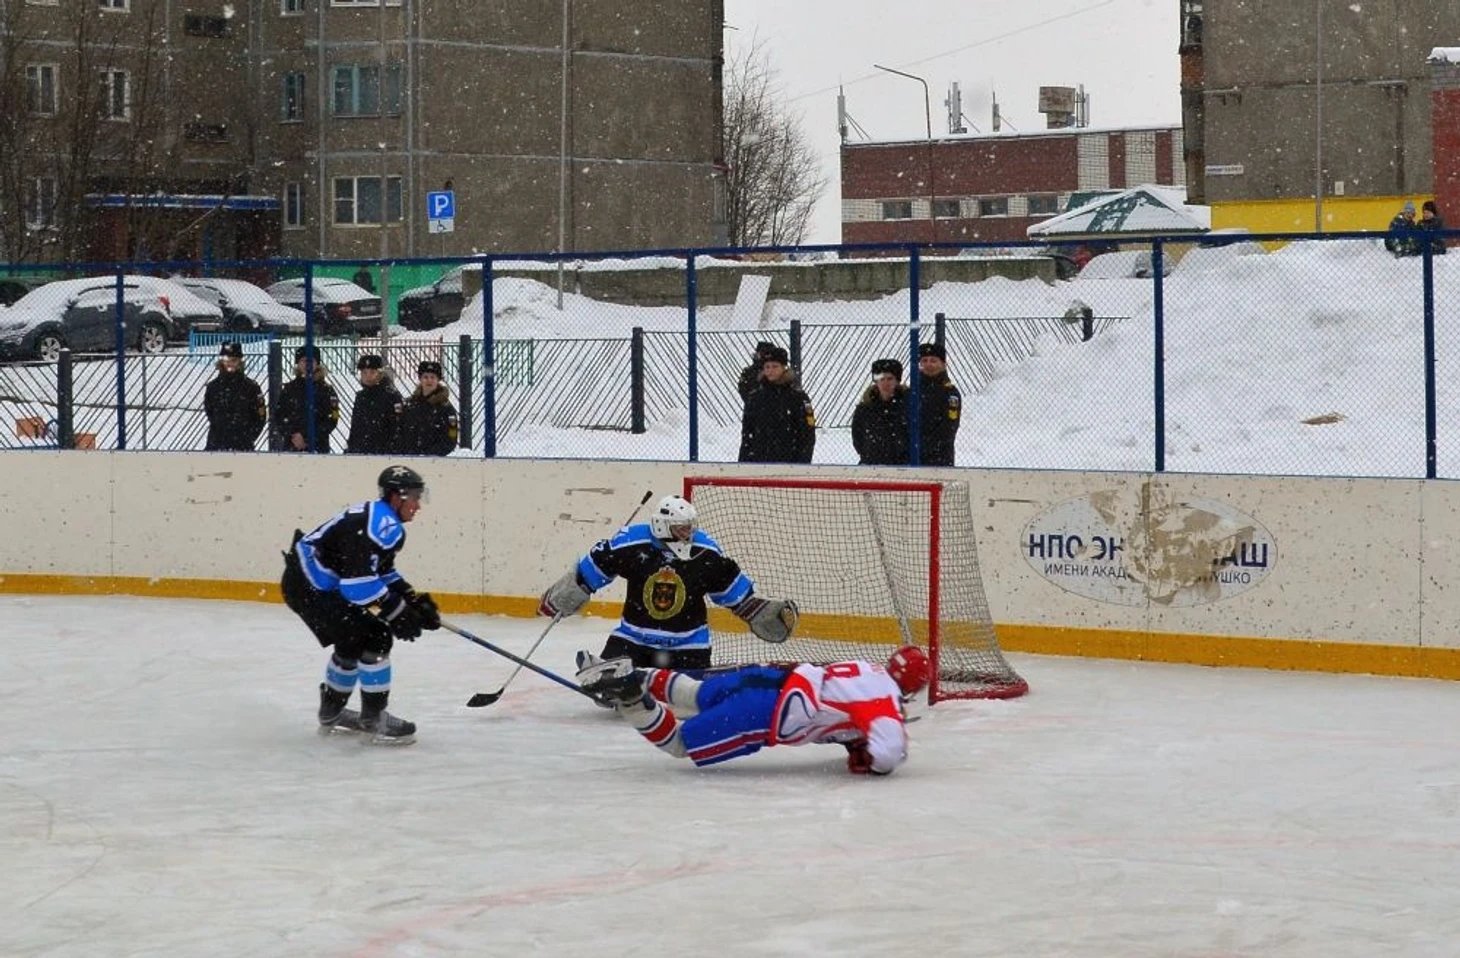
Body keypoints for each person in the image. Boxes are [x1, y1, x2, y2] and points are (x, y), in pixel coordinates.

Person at [538, 494, 799, 673]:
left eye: (689, 527)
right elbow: (592, 569)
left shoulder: (704, 551)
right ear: (662, 526)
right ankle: (616, 676)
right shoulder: (631, 543)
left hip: (688, 646)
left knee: (687, 698)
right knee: (612, 686)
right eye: (681, 528)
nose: (689, 533)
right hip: (633, 641)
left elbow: (734, 594)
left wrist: (759, 612)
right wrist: (567, 592)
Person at [576, 645, 931, 776]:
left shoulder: (868, 668)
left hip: (768, 677)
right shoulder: (883, 702)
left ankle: (631, 673)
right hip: (764, 713)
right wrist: (871, 759)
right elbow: (888, 753)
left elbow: (842, 703)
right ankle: (632, 696)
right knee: (680, 743)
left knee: (694, 693)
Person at [281, 465, 441, 744]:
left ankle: (332, 712)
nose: (418, 505)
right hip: (309, 587)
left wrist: (411, 599)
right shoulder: (383, 526)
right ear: (396, 497)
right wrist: (398, 611)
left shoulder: (382, 519)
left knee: (353, 639)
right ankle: (372, 718)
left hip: (305, 583)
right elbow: (357, 586)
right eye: (414, 497)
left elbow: (381, 571)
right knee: (375, 635)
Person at [738, 345, 816, 463]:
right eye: (767, 366)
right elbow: (747, 435)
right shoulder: (754, 398)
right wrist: (744, 463)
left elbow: (807, 434)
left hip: (790, 463)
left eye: (775, 366)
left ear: (784, 368)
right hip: (759, 463)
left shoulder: (799, 398)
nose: (770, 370)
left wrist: (802, 464)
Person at [271, 346, 339, 453]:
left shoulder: (327, 391)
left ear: (317, 364)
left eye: (311, 360)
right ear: (297, 364)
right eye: (303, 360)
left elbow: (332, 420)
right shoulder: (289, 389)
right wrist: (294, 435)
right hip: (291, 447)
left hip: (318, 448)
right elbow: (279, 416)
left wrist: (307, 438)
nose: (307, 364)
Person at [203, 341, 266, 451]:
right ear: (221, 361)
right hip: (217, 444)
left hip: (242, 445)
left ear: (240, 362)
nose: (230, 363)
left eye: (234, 360)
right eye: (227, 360)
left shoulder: (251, 387)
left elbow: (260, 416)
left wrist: (248, 437)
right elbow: (210, 411)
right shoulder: (213, 387)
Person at [851, 357, 909, 465]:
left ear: (897, 381)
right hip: (871, 465)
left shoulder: (908, 406)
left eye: (890, 378)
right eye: (882, 379)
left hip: (901, 467)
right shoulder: (864, 409)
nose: (885, 383)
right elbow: (858, 439)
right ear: (876, 382)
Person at [394, 360, 459, 456]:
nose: (429, 380)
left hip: (433, 462)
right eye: (425, 377)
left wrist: (429, 455)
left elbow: (450, 440)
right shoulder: (409, 405)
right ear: (420, 379)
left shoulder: (446, 409)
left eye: (433, 377)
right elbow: (399, 431)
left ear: (438, 380)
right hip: (408, 459)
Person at [915, 342, 961, 466]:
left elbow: (949, 428)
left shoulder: (950, 393)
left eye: (933, 360)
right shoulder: (913, 391)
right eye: (924, 360)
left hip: (940, 459)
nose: (928, 364)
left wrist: (925, 447)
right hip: (913, 458)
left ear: (943, 364)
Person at [346, 354, 402, 454]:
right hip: (361, 452)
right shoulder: (360, 397)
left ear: (380, 374)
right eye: (364, 372)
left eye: (372, 372)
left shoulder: (392, 397)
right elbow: (356, 428)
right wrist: (351, 448)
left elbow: (397, 427)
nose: (368, 376)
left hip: (384, 453)